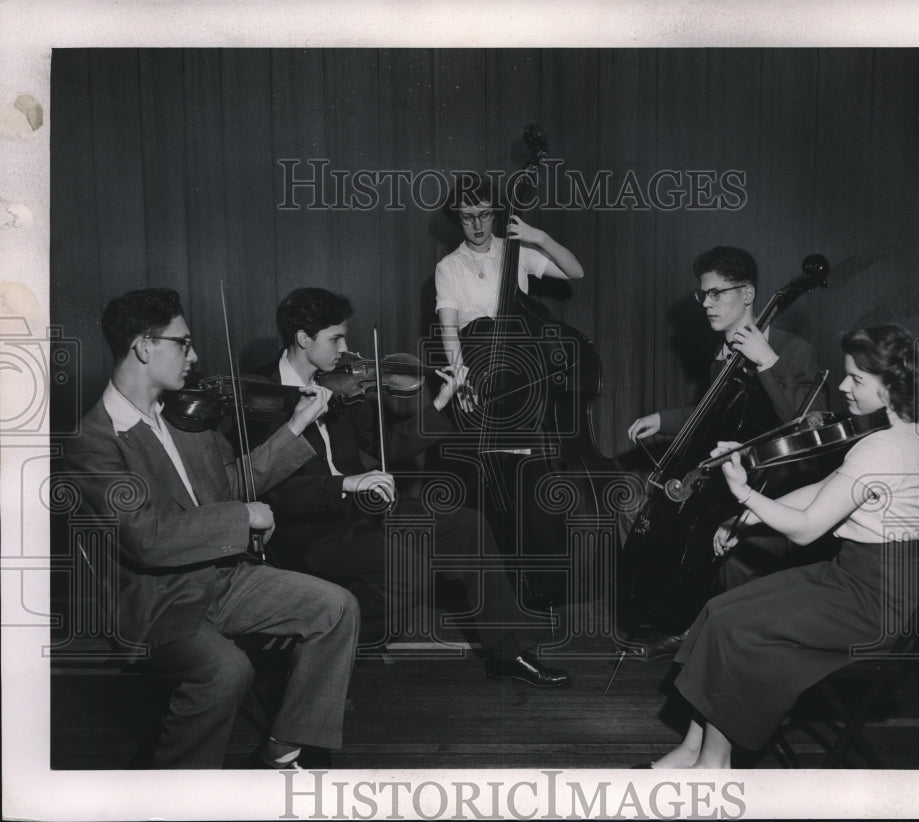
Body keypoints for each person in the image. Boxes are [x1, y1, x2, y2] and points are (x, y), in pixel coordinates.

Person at [62, 288, 360, 769]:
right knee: (225, 670)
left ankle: (283, 750)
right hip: (161, 600)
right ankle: (177, 789)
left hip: (224, 578)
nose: (194, 356)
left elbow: (232, 483)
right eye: (183, 343)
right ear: (143, 346)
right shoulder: (94, 441)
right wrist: (243, 516)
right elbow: (146, 538)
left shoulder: (183, 416)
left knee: (335, 607)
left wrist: (296, 425)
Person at [244, 287, 572, 688]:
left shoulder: (341, 384)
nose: (346, 347)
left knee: (466, 526)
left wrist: (441, 402)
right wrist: (345, 483)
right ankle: (316, 657)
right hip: (313, 530)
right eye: (336, 338)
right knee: (411, 573)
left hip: (363, 511)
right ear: (302, 339)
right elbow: (269, 489)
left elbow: (392, 447)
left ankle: (508, 651)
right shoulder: (259, 394)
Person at [645, 325, 919, 768]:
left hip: (871, 601)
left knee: (737, 630)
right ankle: (691, 750)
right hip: (856, 578)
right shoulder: (899, 430)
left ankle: (713, 767)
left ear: (893, 386)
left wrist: (745, 495)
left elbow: (804, 530)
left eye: (857, 379)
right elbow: (825, 487)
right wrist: (749, 517)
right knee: (720, 608)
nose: (843, 387)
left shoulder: (882, 449)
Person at [625, 246, 828, 656]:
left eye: (717, 293)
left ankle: (688, 626)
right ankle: (670, 616)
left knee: (704, 527)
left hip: (775, 479)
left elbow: (812, 425)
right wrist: (661, 420)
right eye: (703, 294)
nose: (706, 304)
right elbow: (710, 416)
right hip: (730, 471)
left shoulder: (792, 349)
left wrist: (767, 362)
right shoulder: (721, 352)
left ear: (748, 294)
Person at [434, 174, 584, 407]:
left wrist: (540, 238)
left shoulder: (515, 251)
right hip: (480, 376)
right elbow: (448, 329)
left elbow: (575, 271)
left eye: (484, 215)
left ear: (494, 213)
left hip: (526, 369)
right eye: (467, 217)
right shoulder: (448, 267)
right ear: (457, 219)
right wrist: (461, 380)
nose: (477, 225)